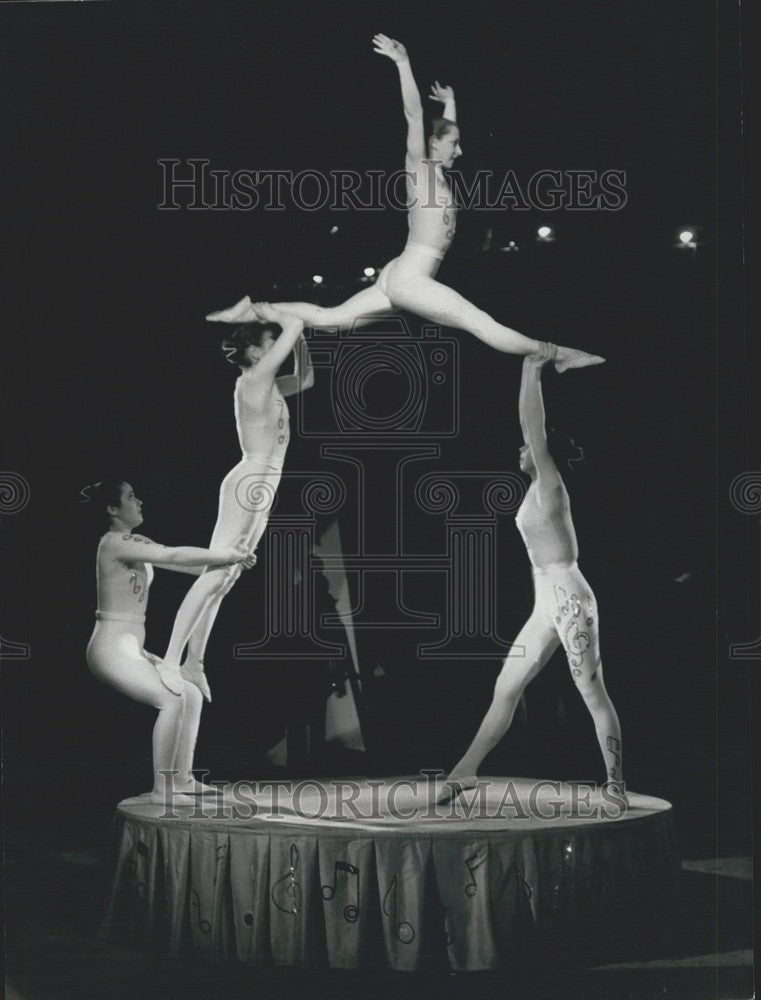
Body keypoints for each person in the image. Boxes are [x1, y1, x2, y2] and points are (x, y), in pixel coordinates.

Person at [206, 34, 604, 373]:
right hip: (410, 279)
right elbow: (415, 117)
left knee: (331, 318)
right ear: (433, 145)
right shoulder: (419, 169)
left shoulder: (437, 172)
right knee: (478, 321)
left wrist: (451, 103)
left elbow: (444, 132)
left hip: (399, 273)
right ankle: (558, 354)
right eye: (454, 145)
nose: (460, 151)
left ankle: (252, 310)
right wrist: (403, 63)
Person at [442, 344, 626, 804]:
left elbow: (532, 426)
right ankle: (465, 770)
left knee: (592, 692)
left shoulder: (550, 483)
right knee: (507, 686)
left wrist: (532, 369)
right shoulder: (534, 490)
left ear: (544, 456)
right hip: (548, 599)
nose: (521, 450)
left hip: (569, 596)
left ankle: (616, 783)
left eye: (528, 449)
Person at [159, 304, 314, 700]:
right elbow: (293, 324)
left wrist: (299, 338)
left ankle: (194, 662)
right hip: (251, 478)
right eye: (271, 341)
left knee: (226, 576)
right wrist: (275, 313)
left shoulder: (269, 383)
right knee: (216, 571)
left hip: (265, 480)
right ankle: (171, 660)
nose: (277, 344)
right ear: (257, 352)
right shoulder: (255, 378)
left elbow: (306, 378)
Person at [84, 479, 256, 804]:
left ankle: (182, 778)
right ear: (112, 509)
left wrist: (232, 561)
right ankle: (162, 790)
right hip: (109, 649)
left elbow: (190, 566)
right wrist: (225, 555)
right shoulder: (113, 543)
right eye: (131, 497)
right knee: (172, 698)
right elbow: (174, 555)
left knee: (190, 692)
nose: (139, 501)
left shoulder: (135, 542)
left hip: (129, 646)